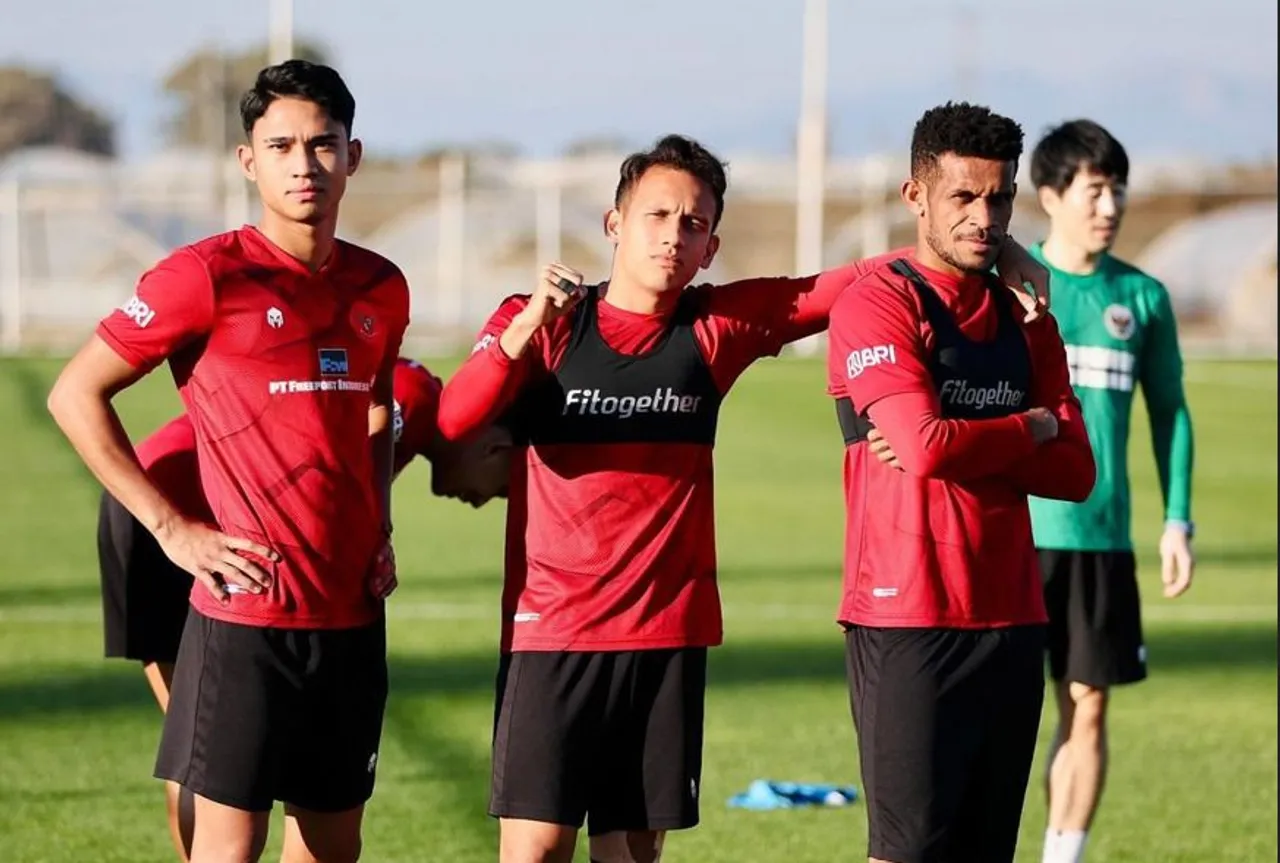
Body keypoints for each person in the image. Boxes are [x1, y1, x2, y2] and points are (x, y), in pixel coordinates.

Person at [436, 132, 1050, 863]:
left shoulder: (714, 327)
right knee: (535, 849)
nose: (672, 236)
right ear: (614, 224)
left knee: (629, 853)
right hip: (552, 631)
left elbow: (841, 284)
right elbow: (454, 419)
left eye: (693, 224)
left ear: (711, 246)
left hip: (665, 631)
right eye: (657, 216)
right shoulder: (543, 322)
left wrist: (1002, 250)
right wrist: (524, 329)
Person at [48, 60, 408, 863]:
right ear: (249, 161)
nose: (303, 163)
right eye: (280, 145)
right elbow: (75, 394)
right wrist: (174, 530)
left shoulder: (382, 287)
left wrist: (379, 524)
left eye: (322, 144)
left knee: (333, 846)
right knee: (226, 848)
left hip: (351, 618)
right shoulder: (204, 276)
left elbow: (378, 407)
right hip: (245, 619)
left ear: (352, 155)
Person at [98, 355, 510, 862]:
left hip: (165, 504)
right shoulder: (416, 394)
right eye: (507, 485)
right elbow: (333, 461)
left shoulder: (410, 392)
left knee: (199, 749)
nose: (488, 499)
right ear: (495, 443)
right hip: (170, 510)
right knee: (202, 755)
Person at [826, 101, 1098, 863]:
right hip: (907, 615)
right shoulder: (879, 303)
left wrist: (973, 439)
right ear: (916, 195)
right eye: (963, 196)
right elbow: (923, 445)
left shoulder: (1026, 313)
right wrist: (1028, 428)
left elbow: (1077, 471)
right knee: (908, 852)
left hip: (1011, 616)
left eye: (999, 197)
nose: (985, 216)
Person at [1026, 119, 1195, 863]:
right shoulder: (1012, 286)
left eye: (1118, 190)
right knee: (1001, 713)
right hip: (1013, 535)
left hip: (1098, 540)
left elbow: (1171, 413)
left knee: (1086, 707)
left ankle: (1062, 856)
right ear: (1050, 196)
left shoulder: (1143, 298)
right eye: (1095, 190)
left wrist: (1177, 520)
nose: (1110, 206)